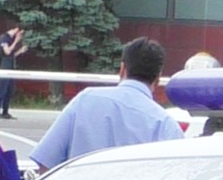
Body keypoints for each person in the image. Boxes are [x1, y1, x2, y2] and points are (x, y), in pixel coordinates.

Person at [30, 36, 181, 169]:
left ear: (122, 69)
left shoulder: (85, 100)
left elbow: (46, 161)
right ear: (158, 78)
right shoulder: (165, 124)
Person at [0, 24, 25, 118]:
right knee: (2, 89)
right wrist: (16, 41)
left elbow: (11, 55)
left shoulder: (10, 39)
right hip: (5, 67)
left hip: (11, 67)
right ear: (17, 30)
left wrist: (20, 51)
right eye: (20, 34)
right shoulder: (4, 38)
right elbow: (7, 52)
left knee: (9, 90)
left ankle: (5, 111)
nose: (20, 36)